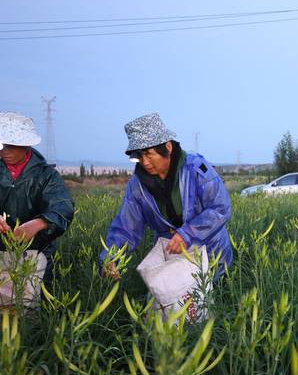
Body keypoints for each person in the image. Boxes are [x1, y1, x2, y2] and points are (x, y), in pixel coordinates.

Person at [100, 113, 233, 281]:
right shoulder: (137, 186)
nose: (144, 161)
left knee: (211, 297)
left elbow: (220, 208)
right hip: (172, 254)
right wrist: (111, 256)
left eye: (148, 153)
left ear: (168, 147)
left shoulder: (196, 169)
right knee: (174, 303)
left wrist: (187, 234)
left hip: (210, 252)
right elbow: (126, 227)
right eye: (139, 156)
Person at [0, 112, 75, 283]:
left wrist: (40, 223)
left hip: (35, 254)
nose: (5, 151)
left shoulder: (46, 175)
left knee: (29, 304)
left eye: (12, 145)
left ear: (26, 145)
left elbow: (62, 207)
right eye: (1, 145)